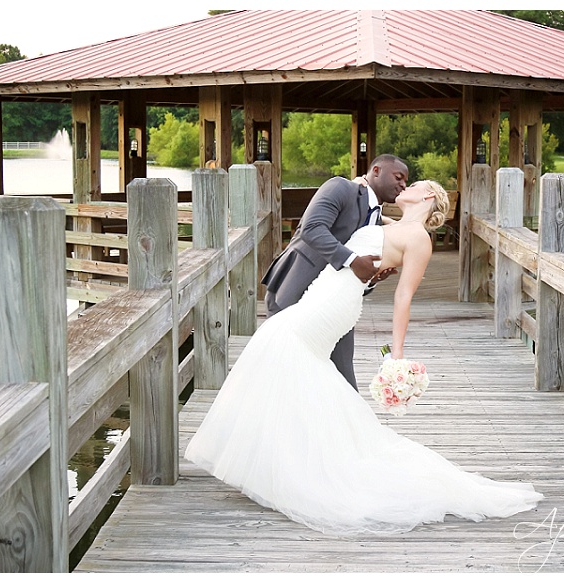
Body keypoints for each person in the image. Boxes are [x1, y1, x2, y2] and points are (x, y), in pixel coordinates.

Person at [185, 180, 543, 536]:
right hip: (321, 292)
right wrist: (359, 183)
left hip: (334, 304)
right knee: (298, 362)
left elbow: (404, 297)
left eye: (413, 183)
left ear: (427, 196)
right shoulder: (388, 223)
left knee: (280, 341)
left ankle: (290, 464)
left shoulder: (419, 239)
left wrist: (396, 358)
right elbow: (358, 218)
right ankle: (295, 458)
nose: (405, 185)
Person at [261, 154, 409, 390]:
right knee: (286, 375)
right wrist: (352, 261)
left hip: (336, 303)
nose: (403, 184)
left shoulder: (377, 219)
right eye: (399, 177)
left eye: (406, 182)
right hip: (295, 290)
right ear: (377, 171)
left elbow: (359, 268)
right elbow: (311, 229)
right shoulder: (341, 187)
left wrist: (370, 277)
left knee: (344, 378)